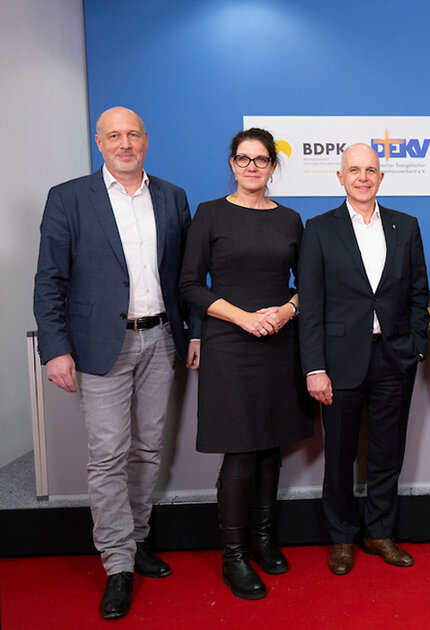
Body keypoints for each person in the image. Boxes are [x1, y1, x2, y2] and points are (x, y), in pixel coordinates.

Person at [33, 106, 198, 620]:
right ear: (99, 142)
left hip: (161, 341)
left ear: (146, 140)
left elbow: (185, 274)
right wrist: (55, 348)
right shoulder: (68, 199)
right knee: (108, 456)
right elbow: (49, 281)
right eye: (114, 136)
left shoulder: (172, 196)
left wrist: (193, 332)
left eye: (133, 135)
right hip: (98, 347)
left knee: (148, 450)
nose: (124, 144)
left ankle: (137, 541)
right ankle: (117, 564)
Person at [179, 128, 312, 600]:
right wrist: (242, 317)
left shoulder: (292, 219)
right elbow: (190, 284)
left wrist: (286, 311)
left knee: (271, 444)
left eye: (261, 159)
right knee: (239, 449)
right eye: (243, 158)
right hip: (231, 343)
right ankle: (232, 556)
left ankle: (261, 539)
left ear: (274, 166)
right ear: (232, 164)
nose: (252, 166)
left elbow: (310, 283)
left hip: (280, 342)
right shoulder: (209, 214)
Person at [298, 143, 429, 575]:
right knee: (338, 456)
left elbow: (416, 292)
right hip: (338, 362)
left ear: (381, 176)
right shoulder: (318, 229)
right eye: (354, 170)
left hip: (394, 359)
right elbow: (311, 304)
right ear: (340, 177)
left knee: (387, 454)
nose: (362, 177)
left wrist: (414, 345)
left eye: (370, 170)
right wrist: (314, 367)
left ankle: (379, 533)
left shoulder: (405, 226)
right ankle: (341, 538)